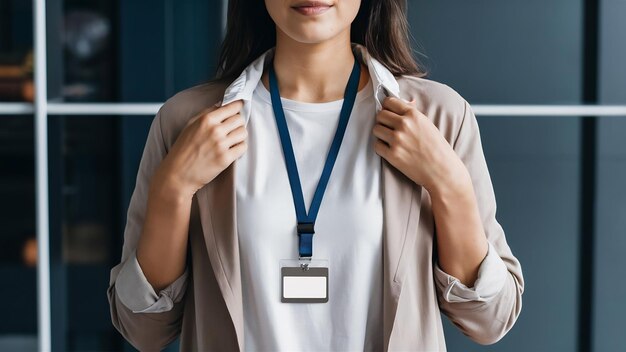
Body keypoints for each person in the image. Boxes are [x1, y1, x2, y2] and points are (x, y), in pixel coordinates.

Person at [107, 0, 525, 350]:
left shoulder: (438, 118)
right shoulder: (186, 122)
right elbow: (142, 329)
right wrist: (173, 189)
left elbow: (491, 318)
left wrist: (449, 186)